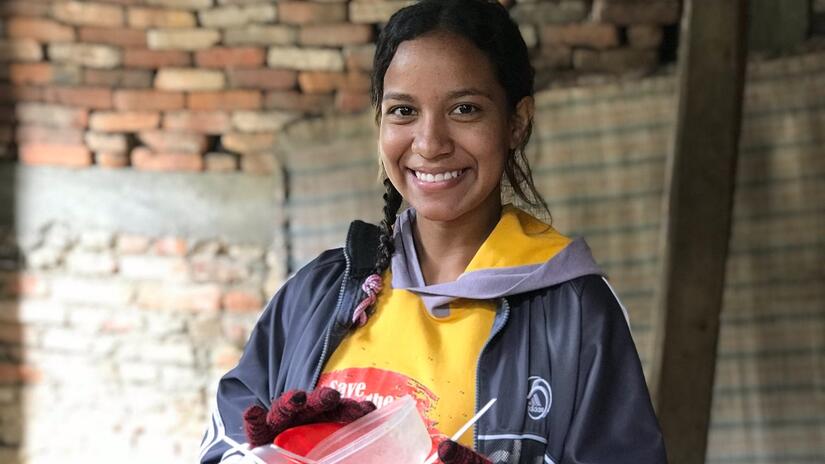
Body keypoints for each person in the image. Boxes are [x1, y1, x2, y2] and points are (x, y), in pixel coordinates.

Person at [200, 0, 667, 462]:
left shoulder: (572, 310)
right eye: (403, 111)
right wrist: (259, 456)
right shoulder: (321, 291)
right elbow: (226, 439)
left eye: (464, 109)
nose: (430, 143)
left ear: (516, 123)